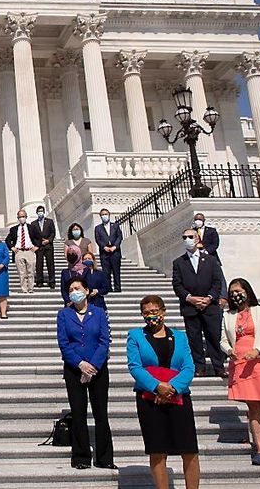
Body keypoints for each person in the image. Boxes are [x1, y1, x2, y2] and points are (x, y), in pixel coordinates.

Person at [126, 295, 199, 489]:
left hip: (178, 396)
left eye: (155, 311)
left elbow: (188, 367)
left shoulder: (180, 336)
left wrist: (172, 388)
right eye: (146, 313)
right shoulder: (135, 336)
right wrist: (157, 386)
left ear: (163, 311)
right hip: (149, 399)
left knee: (189, 450)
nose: (151, 316)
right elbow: (135, 366)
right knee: (157, 450)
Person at [221, 278, 260, 466]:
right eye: (232, 293)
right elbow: (223, 339)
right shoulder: (228, 315)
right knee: (252, 408)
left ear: (247, 291)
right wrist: (229, 350)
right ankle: (259, 449)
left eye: (238, 291)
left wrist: (257, 351)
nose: (235, 295)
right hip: (240, 363)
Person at [57, 275, 115, 471]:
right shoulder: (64, 314)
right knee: (79, 413)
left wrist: (93, 366)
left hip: (98, 369)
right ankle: (81, 456)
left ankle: (104, 457)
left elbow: (104, 341)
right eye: (71, 289)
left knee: (101, 414)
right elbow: (64, 343)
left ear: (87, 291)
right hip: (74, 370)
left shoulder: (98, 313)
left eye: (78, 288)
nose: (74, 292)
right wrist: (80, 364)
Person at [171, 228, 226, 378]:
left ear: (197, 239)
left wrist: (209, 298)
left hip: (210, 306)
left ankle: (219, 366)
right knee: (194, 338)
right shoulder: (178, 262)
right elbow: (177, 284)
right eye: (184, 237)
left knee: (213, 336)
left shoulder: (210, 260)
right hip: (190, 307)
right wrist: (189, 298)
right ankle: (199, 367)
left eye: (190, 236)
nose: (187, 239)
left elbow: (217, 282)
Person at [5, 210, 37, 294]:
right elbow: (7, 239)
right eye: (20, 217)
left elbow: (39, 237)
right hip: (19, 252)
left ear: (26, 217)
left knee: (31, 271)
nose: (21, 218)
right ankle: (24, 289)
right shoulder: (13, 229)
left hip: (29, 251)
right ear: (17, 218)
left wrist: (36, 247)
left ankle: (31, 288)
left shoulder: (32, 227)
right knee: (22, 272)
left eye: (23, 216)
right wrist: (12, 247)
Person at [94, 209, 123, 293]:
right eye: (102, 214)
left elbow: (119, 237)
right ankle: (108, 288)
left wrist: (115, 246)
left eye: (105, 214)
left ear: (109, 214)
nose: (104, 216)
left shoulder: (115, 226)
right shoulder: (98, 228)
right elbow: (98, 239)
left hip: (115, 252)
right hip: (104, 253)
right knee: (106, 271)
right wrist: (104, 247)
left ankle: (117, 288)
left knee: (116, 271)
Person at [29, 206, 56, 288]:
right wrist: (39, 242)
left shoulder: (50, 221)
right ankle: (39, 281)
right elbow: (32, 236)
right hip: (39, 246)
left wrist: (48, 240)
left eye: (42, 211)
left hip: (48, 245)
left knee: (50, 263)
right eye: (39, 211)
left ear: (44, 212)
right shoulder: (33, 223)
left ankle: (51, 281)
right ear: (37, 212)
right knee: (39, 264)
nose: (40, 212)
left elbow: (52, 233)